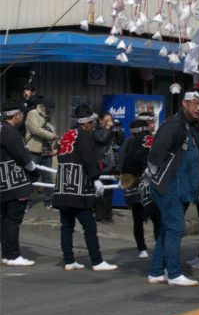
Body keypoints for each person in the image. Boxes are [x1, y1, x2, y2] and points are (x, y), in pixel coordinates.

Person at [145, 91, 199, 287]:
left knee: (168, 230)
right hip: (169, 186)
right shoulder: (174, 124)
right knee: (175, 229)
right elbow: (156, 153)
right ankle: (174, 273)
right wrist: (151, 174)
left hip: (183, 187)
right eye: (195, 103)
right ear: (184, 103)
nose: (198, 108)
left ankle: (156, 272)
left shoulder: (193, 125)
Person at [53, 105, 118, 271]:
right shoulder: (83, 136)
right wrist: (96, 179)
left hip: (62, 187)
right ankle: (97, 261)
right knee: (89, 226)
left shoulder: (66, 135)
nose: (93, 125)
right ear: (87, 123)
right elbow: (89, 158)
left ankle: (69, 261)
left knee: (66, 227)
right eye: (92, 122)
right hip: (78, 190)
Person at [1, 95, 39, 266]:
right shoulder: (10, 132)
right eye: (22, 114)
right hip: (14, 182)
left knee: (5, 219)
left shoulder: (2, 129)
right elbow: (23, 157)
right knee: (13, 220)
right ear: (16, 114)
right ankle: (13, 255)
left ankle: (7, 254)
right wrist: (34, 171)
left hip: (4, 182)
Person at [119, 117, 159, 259]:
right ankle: (160, 248)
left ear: (133, 133)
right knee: (157, 219)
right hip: (157, 186)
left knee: (138, 219)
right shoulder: (158, 140)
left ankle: (142, 248)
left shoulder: (133, 142)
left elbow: (126, 164)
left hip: (139, 185)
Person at [24, 95, 58, 207]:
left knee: (47, 178)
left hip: (47, 151)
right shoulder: (32, 114)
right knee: (30, 177)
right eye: (48, 110)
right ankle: (27, 202)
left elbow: (54, 131)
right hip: (34, 150)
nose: (49, 112)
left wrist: (55, 148)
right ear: (42, 106)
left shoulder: (51, 118)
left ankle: (49, 201)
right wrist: (52, 136)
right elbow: (36, 130)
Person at [92, 112, 124, 224]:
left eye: (110, 120)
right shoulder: (96, 132)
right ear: (100, 120)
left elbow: (121, 141)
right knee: (102, 192)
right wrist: (106, 128)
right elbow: (101, 140)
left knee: (109, 192)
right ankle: (100, 216)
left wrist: (118, 129)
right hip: (103, 164)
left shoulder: (111, 132)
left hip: (112, 164)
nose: (109, 122)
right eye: (107, 120)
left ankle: (108, 215)